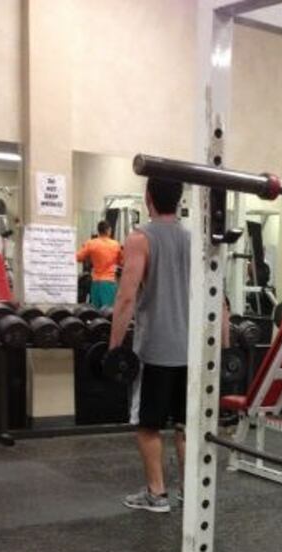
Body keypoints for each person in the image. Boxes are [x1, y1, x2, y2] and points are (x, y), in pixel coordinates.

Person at [110, 177, 189, 513]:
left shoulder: (140, 238)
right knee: (185, 425)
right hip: (191, 351)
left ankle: (157, 494)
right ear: (179, 199)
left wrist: (115, 347)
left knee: (148, 425)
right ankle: (190, 492)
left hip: (156, 348)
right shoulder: (194, 239)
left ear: (148, 197)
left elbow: (126, 296)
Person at [76, 221, 123, 308]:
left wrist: (88, 255)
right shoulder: (115, 244)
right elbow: (122, 262)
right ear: (108, 230)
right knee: (108, 311)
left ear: (98, 231)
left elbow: (78, 258)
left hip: (96, 282)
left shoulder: (91, 243)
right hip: (109, 282)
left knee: (96, 312)